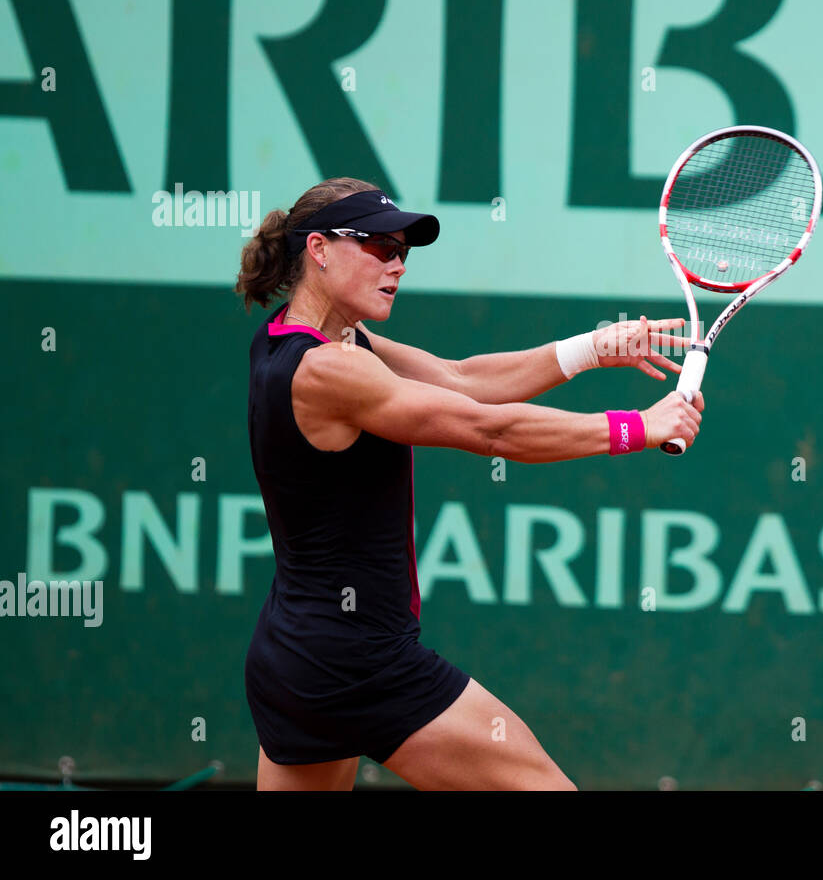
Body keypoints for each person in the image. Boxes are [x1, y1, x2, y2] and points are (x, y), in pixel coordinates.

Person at [233, 177, 704, 790]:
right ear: (318, 248)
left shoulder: (303, 338)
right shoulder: (328, 369)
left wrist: (593, 348)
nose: (398, 264)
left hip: (293, 661)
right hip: (360, 662)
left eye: (403, 251)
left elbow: (460, 378)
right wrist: (636, 427)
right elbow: (489, 429)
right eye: (379, 247)